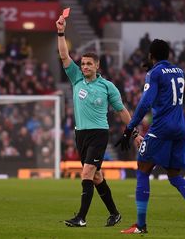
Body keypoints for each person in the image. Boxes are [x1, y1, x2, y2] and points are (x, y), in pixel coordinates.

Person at [117, 39, 185, 234]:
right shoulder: (179, 71)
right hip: (180, 128)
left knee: (142, 169)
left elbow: (145, 103)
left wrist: (129, 128)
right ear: (168, 55)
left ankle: (140, 226)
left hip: (161, 128)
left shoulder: (154, 73)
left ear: (151, 55)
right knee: (175, 175)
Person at [56, 14, 141, 228]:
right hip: (80, 134)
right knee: (96, 177)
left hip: (99, 134)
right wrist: (61, 32)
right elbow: (64, 56)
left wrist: (134, 132)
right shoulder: (76, 78)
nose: (84, 67)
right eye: (83, 63)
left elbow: (121, 111)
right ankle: (115, 214)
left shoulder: (108, 87)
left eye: (88, 64)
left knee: (86, 173)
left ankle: (81, 218)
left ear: (97, 65)